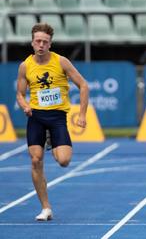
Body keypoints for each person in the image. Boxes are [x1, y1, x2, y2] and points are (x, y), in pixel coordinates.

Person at [15, 23, 88, 221]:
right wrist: (24, 106)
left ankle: (51, 140)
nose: (41, 45)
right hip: (36, 117)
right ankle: (45, 208)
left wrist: (82, 114)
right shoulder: (25, 66)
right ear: (32, 43)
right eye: (37, 41)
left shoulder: (61, 61)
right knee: (36, 160)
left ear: (50, 44)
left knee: (64, 161)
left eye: (44, 42)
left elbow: (83, 85)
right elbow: (20, 94)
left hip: (57, 117)